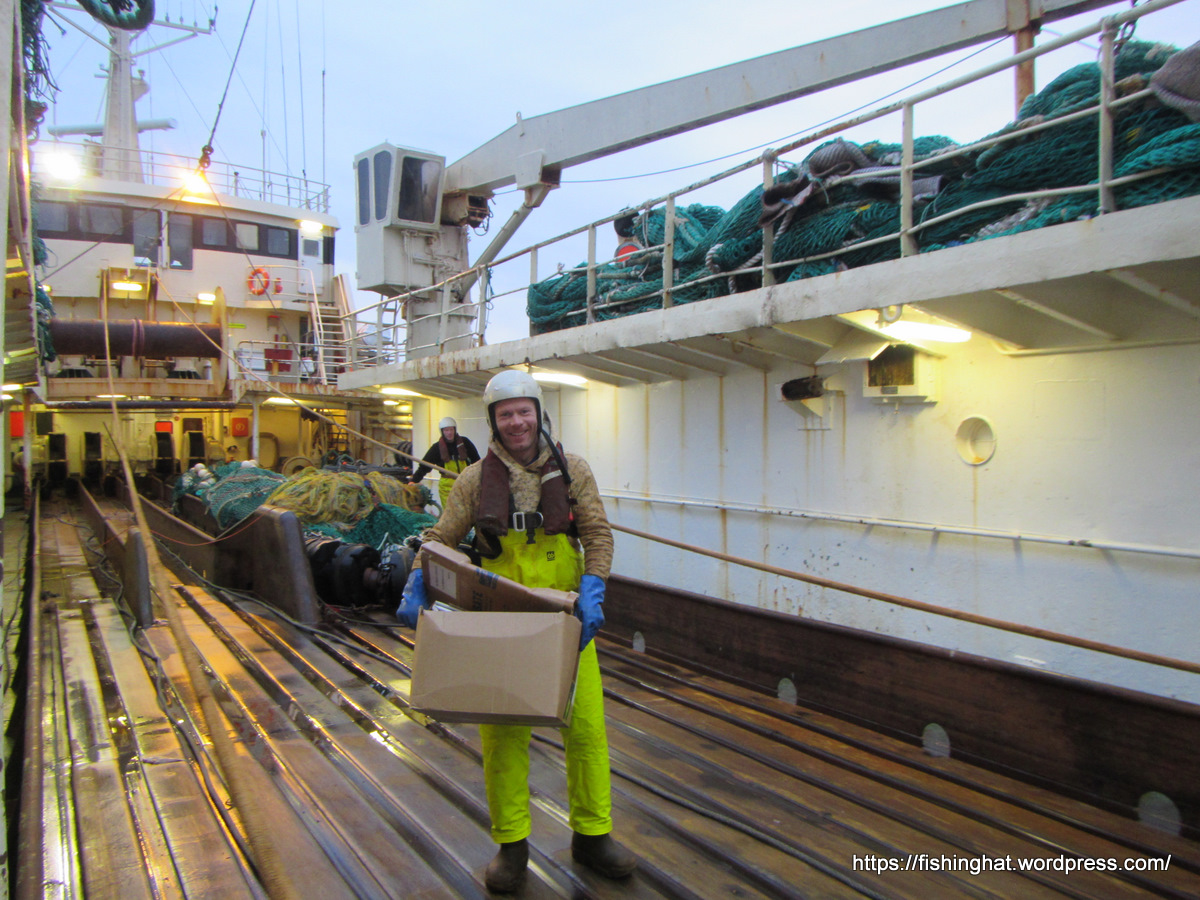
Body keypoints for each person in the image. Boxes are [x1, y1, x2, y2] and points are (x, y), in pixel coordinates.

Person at [397, 370, 637, 893]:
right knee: (503, 734)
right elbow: (440, 537)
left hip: (565, 618)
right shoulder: (472, 481)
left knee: (586, 730)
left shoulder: (573, 470)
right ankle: (512, 845)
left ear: (538, 412)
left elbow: (597, 533)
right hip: (500, 620)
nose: (516, 422)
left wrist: (594, 586)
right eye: (505, 414)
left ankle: (592, 835)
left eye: (523, 411)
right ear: (493, 421)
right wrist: (418, 579)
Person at [411, 416, 480, 510]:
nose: (449, 433)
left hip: (465, 484)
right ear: (442, 431)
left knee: (468, 512)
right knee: (451, 513)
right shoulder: (436, 448)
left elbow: (477, 462)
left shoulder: (465, 443)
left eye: (451, 429)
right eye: (446, 430)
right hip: (447, 488)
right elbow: (424, 467)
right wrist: (413, 481)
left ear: (455, 430)